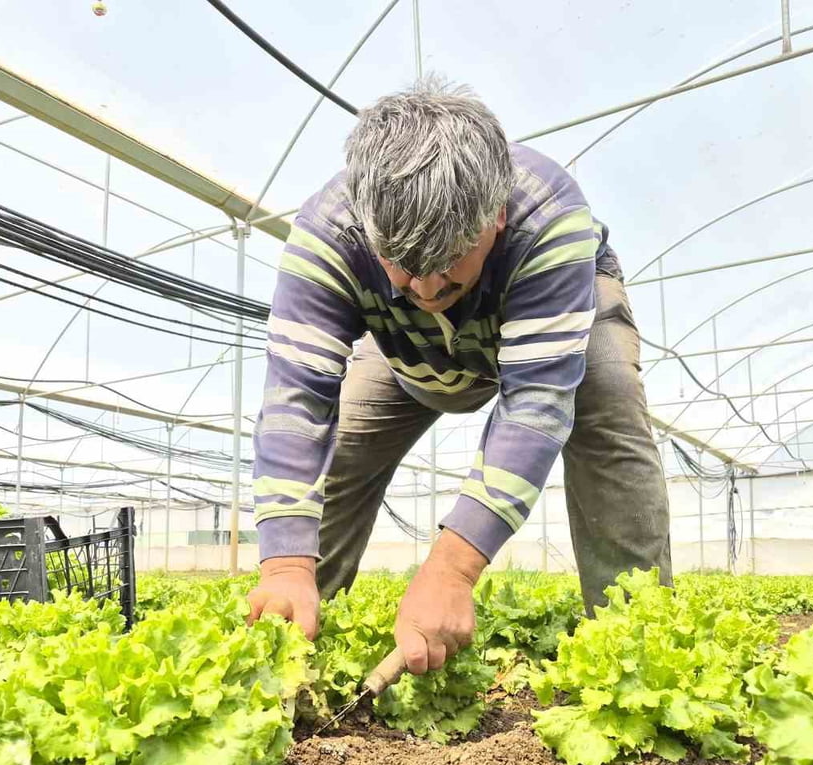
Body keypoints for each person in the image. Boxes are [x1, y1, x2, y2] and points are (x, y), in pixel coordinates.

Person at [246, 77, 671, 675]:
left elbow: (536, 405)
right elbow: (296, 401)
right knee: (344, 449)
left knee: (608, 402)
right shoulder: (328, 234)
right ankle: (300, 643)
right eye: (402, 266)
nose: (424, 291)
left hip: (550, 316)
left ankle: (639, 651)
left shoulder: (549, 217)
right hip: (401, 354)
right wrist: (284, 565)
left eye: (446, 266)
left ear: (495, 215)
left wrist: (453, 568)